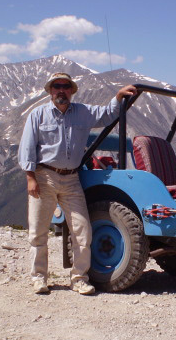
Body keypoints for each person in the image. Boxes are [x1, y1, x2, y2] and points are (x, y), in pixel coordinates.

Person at [18, 72, 136, 295]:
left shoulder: (83, 112)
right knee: (38, 231)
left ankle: (79, 279)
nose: (61, 90)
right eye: (56, 86)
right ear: (50, 91)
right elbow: (27, 147)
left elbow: (107, 114)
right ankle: (38, 278)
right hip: (45, 176)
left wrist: (119, 97)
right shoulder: (38, 114)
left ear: (71, 90)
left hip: (72, 178)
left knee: (82, 231)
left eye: (65, 86)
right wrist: (30, 177)